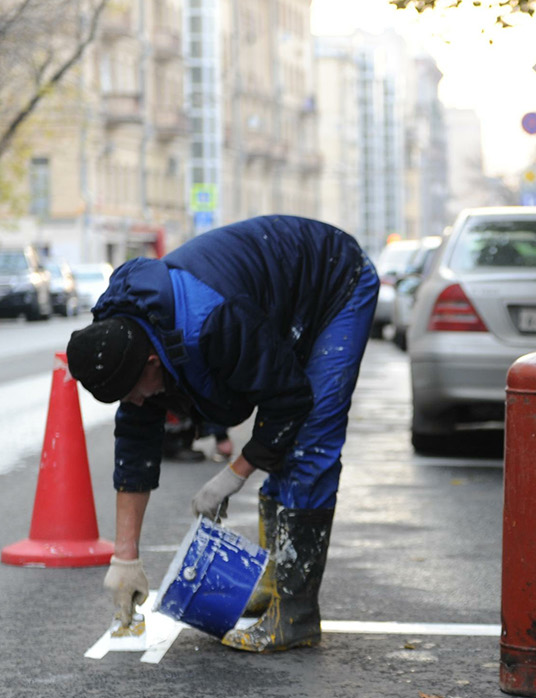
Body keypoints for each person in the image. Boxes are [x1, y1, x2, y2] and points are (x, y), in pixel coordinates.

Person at [65, 215, 379, 652]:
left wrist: (235, 472)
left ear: (152, 363)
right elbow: (136, 440)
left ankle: (296, 615)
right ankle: (274, 584)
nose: (135, 402)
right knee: (285, 440)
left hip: (334, 280)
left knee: (309, 443)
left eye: (134, 392)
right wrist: (125, 557)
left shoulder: (216, 321)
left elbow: (288, 399)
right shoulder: (126, 334)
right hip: (270, 298)